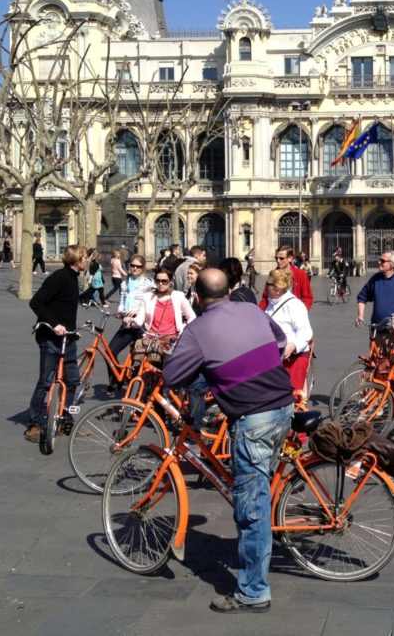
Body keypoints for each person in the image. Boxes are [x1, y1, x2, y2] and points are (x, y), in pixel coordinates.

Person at [164, 268, 294, 614]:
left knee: (251, 510)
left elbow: (173, 375)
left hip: (254, 417)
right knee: (261, 483)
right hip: (283, 404)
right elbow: (280, 341)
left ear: (197, 295)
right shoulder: (252, 310)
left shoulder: (198, 329)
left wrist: (208, 366)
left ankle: (253, 592)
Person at [24, 244, 88, 442]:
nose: (87, 260)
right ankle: (34, 424)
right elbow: (36, 302)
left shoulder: (73, 278)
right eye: (85, 257)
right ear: (78, 260)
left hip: (68, 338)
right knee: (46, 381)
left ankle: (64, 418)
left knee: (72, 381)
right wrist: (54, 324)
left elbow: (66, 305)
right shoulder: (59, 277)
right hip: (51, 337)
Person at [263, 268, 314, 400]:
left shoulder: (294, 305)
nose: (266, 286)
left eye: (268, 284)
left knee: (291, 400)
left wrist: (292, 345)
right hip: (277, 359)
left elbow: (306, 332)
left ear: (277, 289)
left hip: (294, 359)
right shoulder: (271, 303)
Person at [107, 254, 153, 391]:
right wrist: (121, 312)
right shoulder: (124, 283)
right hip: (126, 324)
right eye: (132, 265)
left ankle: (137, 390)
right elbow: (122, 302)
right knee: (110, 351)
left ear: (143, 268)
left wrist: (137, 314)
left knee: (138, 359)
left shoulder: (148, 283)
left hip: (140, 326)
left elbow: (149, 304)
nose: (134, 268)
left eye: (138, 266)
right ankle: (116, 380)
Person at [132, 268, 196, 341]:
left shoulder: (178, 296)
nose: (160, 283)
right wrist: (130, 321)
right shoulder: (147, 297)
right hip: (151, 339)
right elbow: (139, 321)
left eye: (164, 281)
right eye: (158, 281)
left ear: (170, 282)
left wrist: (183, 328)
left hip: (171, 340)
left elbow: (192, 317)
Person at [260, 246, 314, 310]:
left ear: (290, 258)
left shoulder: (300, 274)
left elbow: (307, 298)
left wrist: (300, 311)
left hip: (294, 314)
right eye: (276, 258)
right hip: (275, 313)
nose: (278, 261)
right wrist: (260, 313)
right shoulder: (273, 274)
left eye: (281, 258)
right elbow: (265, 298)